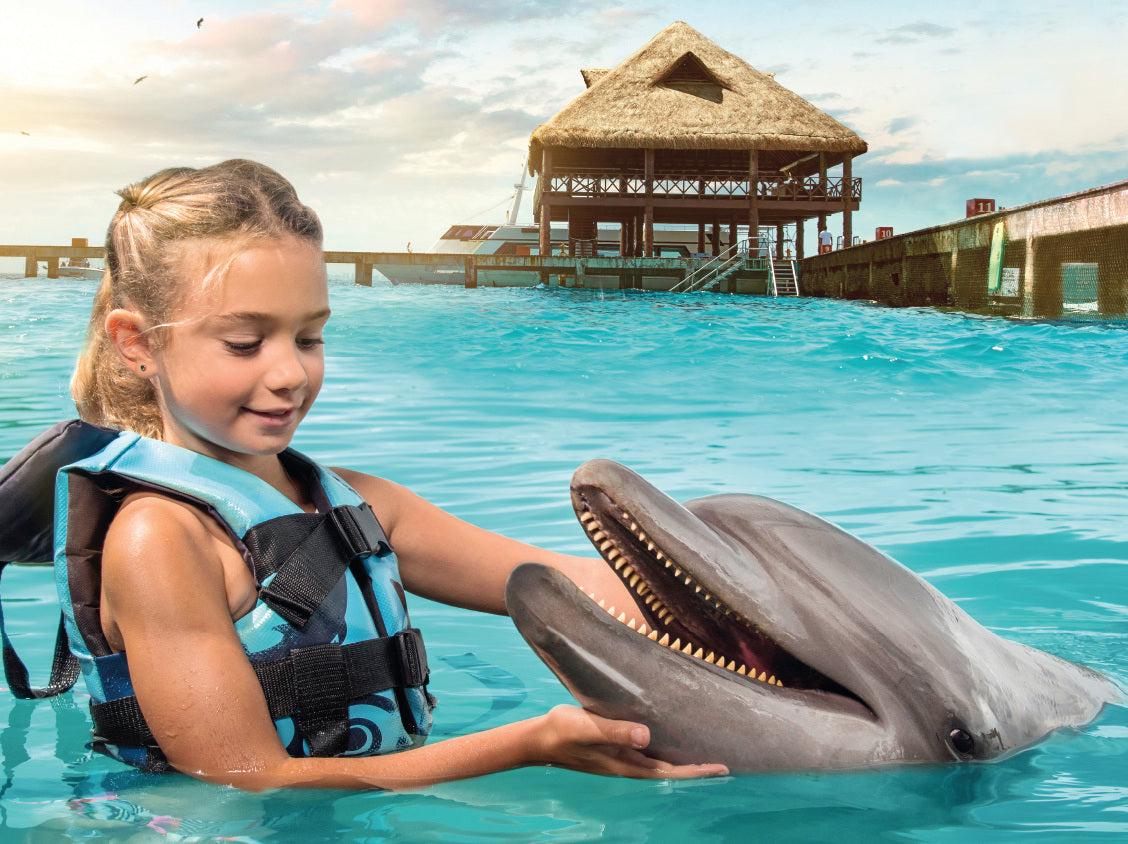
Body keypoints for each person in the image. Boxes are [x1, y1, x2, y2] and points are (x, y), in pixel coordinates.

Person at [56, 159, 727, 791]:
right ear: (137, 343)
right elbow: (244, 780)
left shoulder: (362, 504)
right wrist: (528, 746)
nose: (290, 373)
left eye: (309, 337)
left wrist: (733, 626)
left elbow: (570, 586)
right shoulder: (159, 542)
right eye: (244, 343)